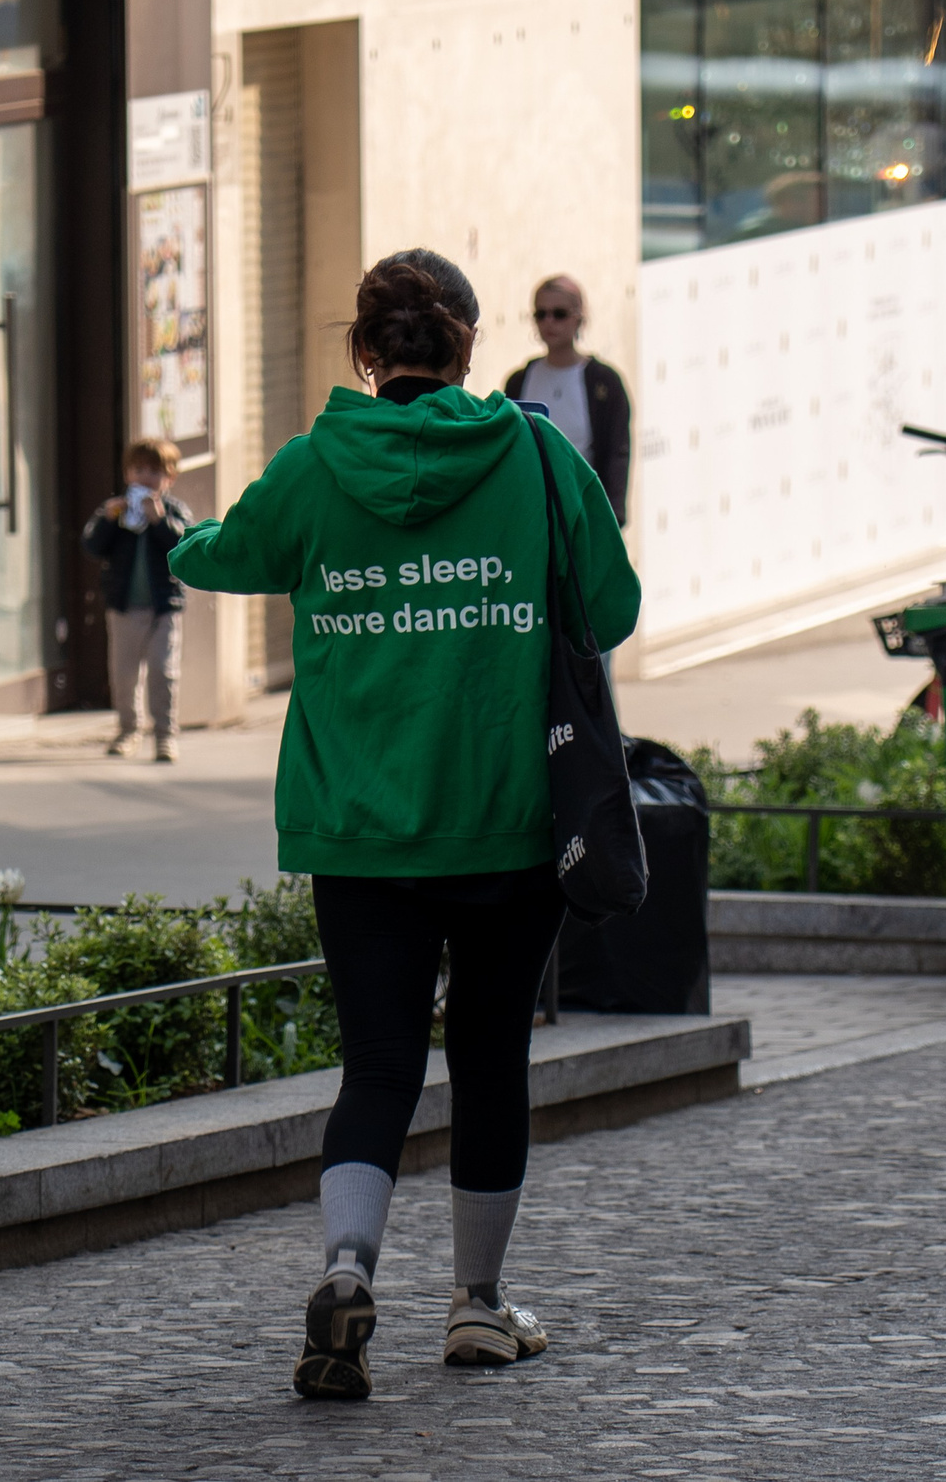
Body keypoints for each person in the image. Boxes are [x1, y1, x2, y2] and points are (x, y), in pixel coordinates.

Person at [168, 249, 638, 1402]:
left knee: (376, 1065)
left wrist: (178, 535)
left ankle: (345, 1268)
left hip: (359, 831)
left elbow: (225, 556)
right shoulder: (534, 453)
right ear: (470, 343)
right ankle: (478, 1309)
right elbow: (615, 606)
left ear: (363, 351)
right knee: (488, 1061)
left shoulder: (317, 464)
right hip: (508, 824)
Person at [81, 438, 193, 761]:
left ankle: (165, 736)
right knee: (125, 673)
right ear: (128, 473)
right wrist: (108, 518)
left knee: (162, 670)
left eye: (155, 472)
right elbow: (92, 547)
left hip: (163, 607)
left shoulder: (174, 510)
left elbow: (185, 545)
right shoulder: (117, 509)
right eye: (139, 470)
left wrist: (159, 522)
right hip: (124, 606)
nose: (146, 478)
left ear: (169, 478)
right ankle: (128, 730)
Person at [503, 275, 632, 525]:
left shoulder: (605, 383)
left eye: (559, 313)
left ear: (579, 317)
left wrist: (613, 517)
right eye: (540, 314)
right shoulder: (519, 381)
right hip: (534, 515)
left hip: (585, 513)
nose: (549, 322)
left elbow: (617, 452)